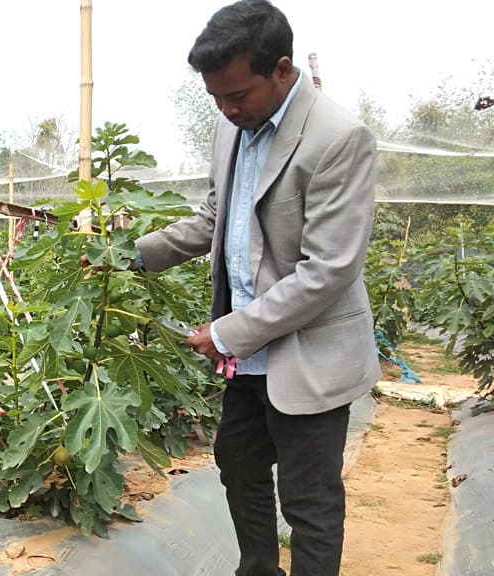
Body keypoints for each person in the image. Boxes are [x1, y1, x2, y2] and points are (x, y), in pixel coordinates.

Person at [130, 1, 379, 574]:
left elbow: (328, 271)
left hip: (309, 354)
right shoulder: (230, 126)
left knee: (309, 498)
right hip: (250, 353)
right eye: (215, 96)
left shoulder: (339, 138)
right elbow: (213, 218)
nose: (225, 107)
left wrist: (225, 333)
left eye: (237, 94)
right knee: (238, 461)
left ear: (282, 70)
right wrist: (132, 255)